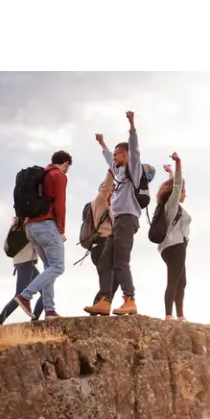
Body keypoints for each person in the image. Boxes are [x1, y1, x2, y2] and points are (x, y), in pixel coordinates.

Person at [90, 110, 144, 316]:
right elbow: (107, 160)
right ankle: (105, 300)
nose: (114, 157)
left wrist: (132, 124)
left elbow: (135, 150)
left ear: (126, 155)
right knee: (105, 261)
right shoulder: (119, 171)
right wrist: (102, 144)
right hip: (118, 221)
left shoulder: (133, 169)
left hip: (128, 219)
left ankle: (129, 300)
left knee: (121, 261)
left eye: (117, 154)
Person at [12, 149, 72, 321]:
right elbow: (60, 204)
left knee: (49, 269)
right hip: (47, 225)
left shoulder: (39, 175)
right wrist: (61, 230)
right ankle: (26, 296)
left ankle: (50, 310)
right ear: (66, 164)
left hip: (31, 227)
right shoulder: (58, 175)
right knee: (58, 267)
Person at [156, 153, 191, 319]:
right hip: (175, 246)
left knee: (181, 281)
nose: (184, 195)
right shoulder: (172, 205)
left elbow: (173, 186)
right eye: (184, 192)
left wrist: (169, 173)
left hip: (173, 246)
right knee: (173, 281)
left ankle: (179, 315)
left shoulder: (171, 206)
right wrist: (178, 163)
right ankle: (170, 316)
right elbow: (176, 186)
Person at [0, 217, 43, 323]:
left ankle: (34, 321)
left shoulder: (19, 220)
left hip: (22, 261)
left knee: (45, 291)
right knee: (20, 296)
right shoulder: (28, 219)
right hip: (26, 261)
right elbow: (35, 242)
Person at [85, 170, 116, 311]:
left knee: (116, 280)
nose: (112, 191)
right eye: (110, 188)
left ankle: (102, 306)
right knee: (108, 278)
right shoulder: (98, 203)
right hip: (101, 245)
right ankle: (98, 307)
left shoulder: (114, 206)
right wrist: (112, 169)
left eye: (114, 189)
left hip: (113, 244)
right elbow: (105, 188)